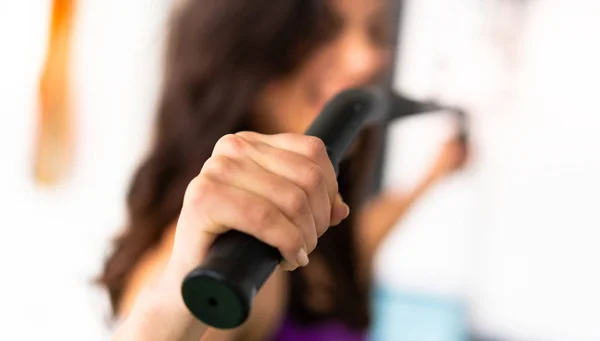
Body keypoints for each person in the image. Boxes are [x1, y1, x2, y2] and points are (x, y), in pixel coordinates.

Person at [102, 1, 467, 340]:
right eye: (322, 29)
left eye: (375, 32)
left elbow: (363, 241)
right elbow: (171, 304)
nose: (367, 58)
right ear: (249, 45)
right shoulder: (234, 256)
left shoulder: (314, 246)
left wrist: (434, 173)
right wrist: (172, 309)